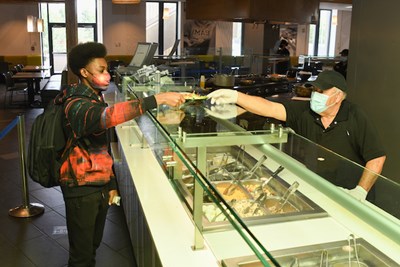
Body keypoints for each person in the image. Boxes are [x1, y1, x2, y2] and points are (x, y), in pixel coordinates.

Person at [56, 42, 185, 267]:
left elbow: (100, 147)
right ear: (84, 73)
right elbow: (106, 117)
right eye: (101, 70)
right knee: (81, 255)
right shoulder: (75, 104)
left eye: (107, 69)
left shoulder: (94, 97)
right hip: (80, 187)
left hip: (97, 182)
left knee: (93, 245)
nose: (107, 75)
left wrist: (111, 181)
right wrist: (158, 99)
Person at [208, 70, 386, 202]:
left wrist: (360, 191)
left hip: (350, 194)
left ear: (338, 96)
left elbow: (377, 157)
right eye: (314, 90)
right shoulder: (306, 112)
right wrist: (237, 97)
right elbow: (270, 107)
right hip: (317, 189)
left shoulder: (355, 116)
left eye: (321, 91)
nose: (315, 95)